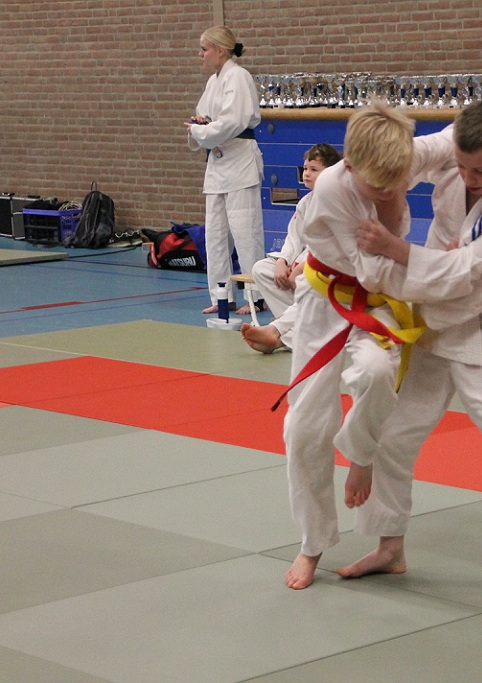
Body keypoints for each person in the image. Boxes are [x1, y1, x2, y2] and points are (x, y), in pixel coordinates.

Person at [337, 101, 482, 589]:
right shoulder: (454, 149)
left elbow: (460, 274)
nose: (468, 177)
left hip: (480, 329)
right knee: (395, 434)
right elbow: (402, 158)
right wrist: (363, 157)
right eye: (463, 166)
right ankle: (389, 546)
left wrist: (395, 248)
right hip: (428, 326)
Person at [280, 102, 459, 590]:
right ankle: (312, 543)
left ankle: (360, 455)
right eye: (377, 185)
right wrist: (427, 264)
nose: (388, 190)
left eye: (396, 181)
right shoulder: (331, 190)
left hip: (379, 298)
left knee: (378, 373)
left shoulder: (402, 153)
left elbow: (464, 134)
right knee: (305, 426)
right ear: (352, 164)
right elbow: (372, 269)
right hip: (327, 294)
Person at [186, 26, 266, 317]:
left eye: (204, 49)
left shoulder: (239, 76)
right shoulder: (213, 81)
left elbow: (233, 122)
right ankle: (223, 297)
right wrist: (200, 123)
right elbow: (206, 116)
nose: (200, 54)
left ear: (221, 50)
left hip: (240, 162)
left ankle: (257, 296)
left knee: (246, 233)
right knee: (216, 236)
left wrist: (202, 130)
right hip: (218, 164)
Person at [241, 143, 341, 354]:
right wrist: (282, 261)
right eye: (305, 169)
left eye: (314, 169)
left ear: (331, 173)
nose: (307, 174)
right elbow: (294, 238)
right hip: (303, 266)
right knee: (262, 269)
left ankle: (279, 334)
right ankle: (292, 324)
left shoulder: (338, 203)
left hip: (327, 271)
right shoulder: (306, 202)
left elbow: (330, 247)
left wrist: (302, 268)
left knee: (310, 282)